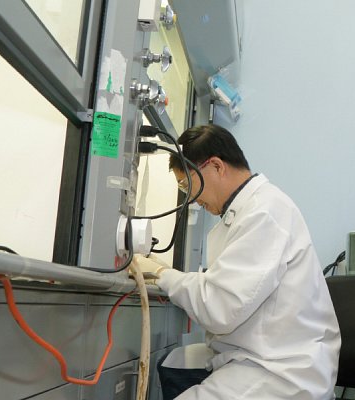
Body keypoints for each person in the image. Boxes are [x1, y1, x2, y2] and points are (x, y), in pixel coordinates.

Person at [133, 124, 341, 399]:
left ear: (216, 166)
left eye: (188, 186)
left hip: (282, 373)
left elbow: (220, 307)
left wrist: (162, 274)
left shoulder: (264, 212)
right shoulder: (246, 212)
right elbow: (222, 289)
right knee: (174, 362)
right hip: (259, 355)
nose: (191, 201)